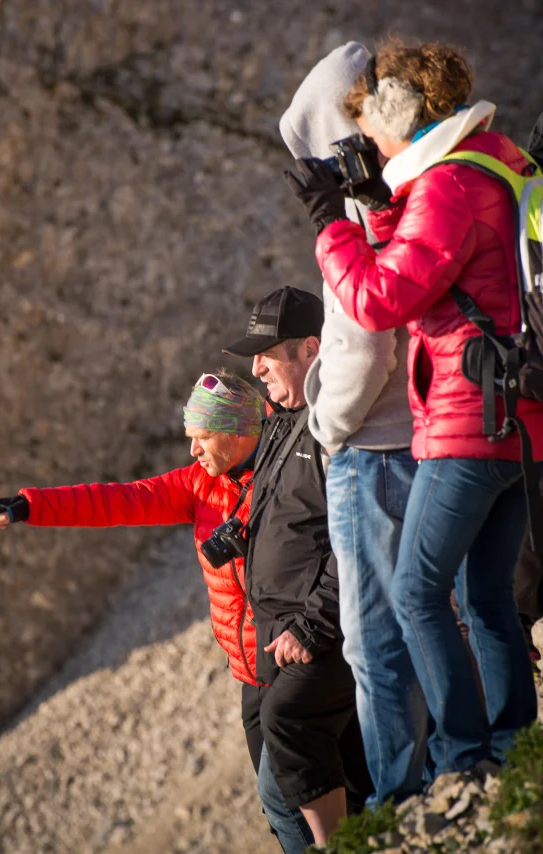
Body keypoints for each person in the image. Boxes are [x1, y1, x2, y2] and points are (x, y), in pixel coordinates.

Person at [285, 38, 543, 784]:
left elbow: (377, 301)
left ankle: (463, 755)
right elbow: (442, 263)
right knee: (485, 595)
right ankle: (512, 744)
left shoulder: (449, 185)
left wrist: (331, 223)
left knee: (415, 593)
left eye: (370, 130)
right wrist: (376, 205)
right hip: (518, 419)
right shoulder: (497, 161)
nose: (366, 143)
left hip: (467, 421)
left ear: (399, 118)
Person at [0, 370, 316, 852]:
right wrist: (25, 506)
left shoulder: (287, 473)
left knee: (287, 795)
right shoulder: (198, 484)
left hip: (290, 662)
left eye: (201, 438)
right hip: (248, 674)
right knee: (279, 806)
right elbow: (116, 500)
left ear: (236, 433)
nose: (192, 451)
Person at [279, 42, 426, 805]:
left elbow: (361, 343)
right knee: (432, 618)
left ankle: (406, 795)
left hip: (374, 450)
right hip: (424, 438)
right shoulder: (408, 192)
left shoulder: (360, 216)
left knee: (377, 641)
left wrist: (326, 425)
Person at [223, 286, 372, 846]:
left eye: (268, 353)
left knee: (289, 758)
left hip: (312, 634)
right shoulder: (283, 418)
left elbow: (351, 535)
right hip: (273, 640)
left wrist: (312, 623)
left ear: (311, 349)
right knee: (334, 778)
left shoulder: (333, 422)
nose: (256, 366)